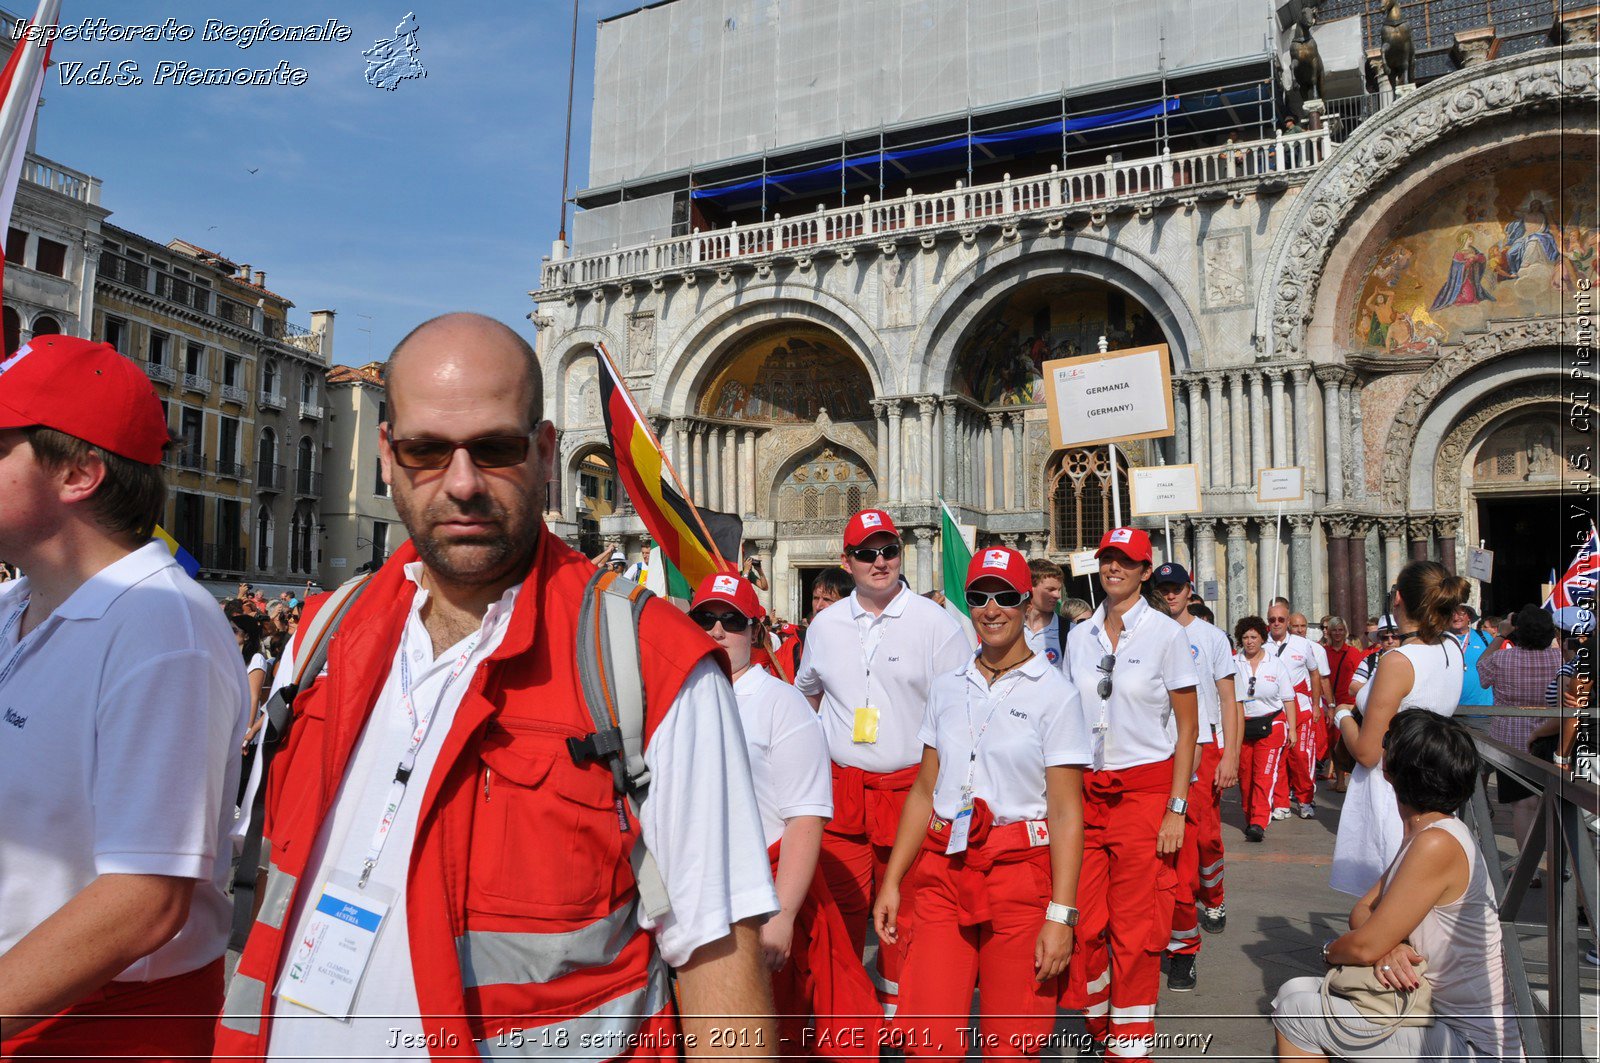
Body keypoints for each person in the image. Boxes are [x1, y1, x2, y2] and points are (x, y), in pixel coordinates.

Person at [218, 314, 778, 1058]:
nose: (461, 482)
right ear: (388, 455)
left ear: (545, 453)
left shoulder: (652, 667)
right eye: (425, 449)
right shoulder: (323, 637)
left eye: (496, 447)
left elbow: (720, 972)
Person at [0, 335, 249, 1058]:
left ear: (79, 472)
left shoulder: (163, 626)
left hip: (97, 1026)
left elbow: (144, 900)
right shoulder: (15, 602)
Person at [873, 546, 1088, 1060]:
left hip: (1020, 876)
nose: (991, 610)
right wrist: (893, 881)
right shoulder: (947, 687)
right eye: (978, 596)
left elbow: (1065, 813)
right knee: (928, 1042)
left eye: (1004, 597)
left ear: (1026, 601)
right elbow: (924, 791)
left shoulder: (1056, 694)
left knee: (1011, 1047)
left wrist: (1061, 915)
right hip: (943, 871)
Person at [687, 572, 879, 1053]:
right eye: (705, 618)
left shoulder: (782, 704)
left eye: (730, 620)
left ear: (754, 631)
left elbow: (804, 819)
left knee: (766, 1031)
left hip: (763, 893)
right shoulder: (678, 695)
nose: (715, 630)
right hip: (699, 890)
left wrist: (783, 915)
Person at [1272, 710, 1525, 1062]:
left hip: (1475, 1044)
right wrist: (1386, 946)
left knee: (1298, 1013)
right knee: (1294, 991)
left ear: (1391, 773)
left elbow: (1361, 947)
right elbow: (1363, 910)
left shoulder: (1435, 843)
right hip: (1439, 1017)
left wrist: (1332, 950)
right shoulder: (1428, 829)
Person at [794, 509, 970, 1013]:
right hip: (842, 793)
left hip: (911, 792)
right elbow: (805, 697)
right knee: (839, 914)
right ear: (846, 561)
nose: (880, 562)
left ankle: (897, 1020)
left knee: (903, 916)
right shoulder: (825, 626)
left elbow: (960, 715)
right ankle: (848, 1018)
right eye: (867, 553)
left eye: (888, 550)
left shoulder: (936, 625)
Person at [1059, 527, 1199, 1062]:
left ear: (1146, 571)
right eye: (1107, 560)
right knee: (1083, 923)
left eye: (1125, 561)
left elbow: (1188, 727)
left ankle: (1130, 1045)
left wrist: (1176, 808)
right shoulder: (1080, 635)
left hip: (1144, 793)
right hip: (1086, 794)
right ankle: (1098, 1026)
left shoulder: (1167, 635)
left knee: (1135, 928)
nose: (1113, 568)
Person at [1330, 560, 1469, 896]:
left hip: (1392, 790)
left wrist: (1342, 716)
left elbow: (1366, 752)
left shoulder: (1398, 660)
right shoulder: (1451, 647)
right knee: (1418, 896)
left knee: (1388, 894)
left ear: (1398, 599)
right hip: (1433, 779)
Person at [1150, 563, 1240, 989]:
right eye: (1161, 588)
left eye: (1175, 588)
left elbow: (1227, 697)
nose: (1169, 595)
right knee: (1168, 857)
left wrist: (1231, 755)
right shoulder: (1143, 632)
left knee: (1203, 839)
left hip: (1202, 748)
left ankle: (1214, 900)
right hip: (1152, 756)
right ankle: (1176, 944)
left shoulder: (1209, 637)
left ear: (1189, 591)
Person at [1476, 604, 1562, 861]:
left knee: (1523, 806)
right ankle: (1560, 867)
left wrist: (1501, 635)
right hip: (1551, 739)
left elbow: (1481, 671)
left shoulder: (1502, 659)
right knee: (1554, 804)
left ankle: (1528, 867)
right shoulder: (1560, 659)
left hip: (1510, 742)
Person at [1232, 616, 1294, 844]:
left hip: (1272, 724)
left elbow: (1288, 699)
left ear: (1261, 638)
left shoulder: (1275, 664)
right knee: (1245, 776)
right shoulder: (1233, 662)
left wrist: (1293, 730)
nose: (1249, 642)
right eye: (1245, 638)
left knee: (1263, 775)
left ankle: (1259, 821)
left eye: (1254, 637)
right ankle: (1250, 817)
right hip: (1242, 726)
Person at [1266, 600, 1325, 820]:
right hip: (1275, 708)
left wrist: (1317, 705)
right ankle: (1280, 802)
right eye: (1272, 620)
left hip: (1301, 707)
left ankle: (1305, 799)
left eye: (1281, 619)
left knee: (1301, 756)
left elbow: (1315, 674)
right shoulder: (1264, 646)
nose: (1276, 623)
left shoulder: (1302, 645)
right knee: (1279, 756)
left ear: (1288, 621)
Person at [1320, 616, 1365, 793]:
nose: (1338, 633)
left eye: (1341, 629)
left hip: (1348, 703)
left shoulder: (1353, 653)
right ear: (1329, 632)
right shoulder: (1324, 652)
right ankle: (1339, 779)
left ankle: (1347, 780)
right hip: (1329, 702)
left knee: (1344, 740)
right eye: (1334, 629)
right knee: (1332, 741)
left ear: (1345, 632)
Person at [1289, 613, 1334, 778]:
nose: (1300, 630)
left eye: (1303, 626)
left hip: (1308, 705)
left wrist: (1330, 706)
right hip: (1285, 705)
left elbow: (1323, 680)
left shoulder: (1317, 649)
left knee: (1305, 749)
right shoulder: (1276, 647)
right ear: (1289, 626)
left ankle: (1306, 789)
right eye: (1296, 626)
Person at [1448, 603, 1494, 709]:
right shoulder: (1440, 639)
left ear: (1469, 616)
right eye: (1452, 613)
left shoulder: (1485, 638)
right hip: (1449, 709)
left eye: (1461, 614)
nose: (1455, 617)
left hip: (1482, 708)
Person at [1022, 557, 1067, 668]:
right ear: (1030, 588)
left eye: (1059, 590)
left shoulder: (1069, 631)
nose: (1057, 595)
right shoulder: (1010, 627)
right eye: (1050, 589)